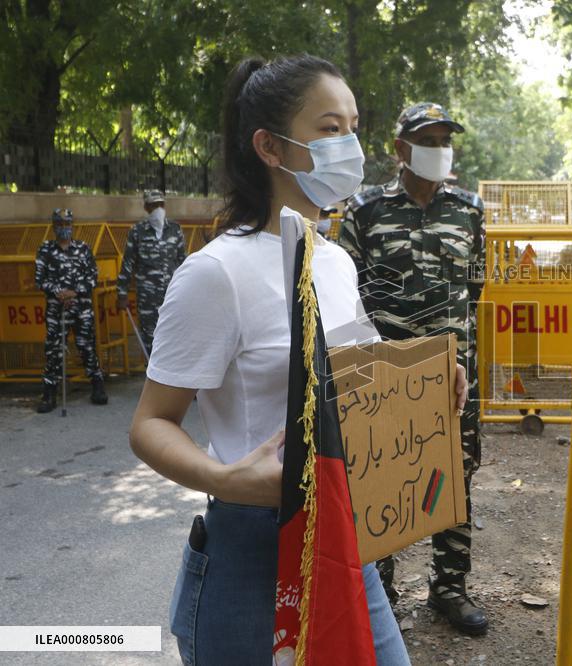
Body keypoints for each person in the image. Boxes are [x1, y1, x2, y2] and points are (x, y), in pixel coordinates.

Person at [128, 54, 432, 665]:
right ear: (270, 146)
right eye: (328, 128)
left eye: (352, 126)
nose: (350, 144)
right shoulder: (217, 274)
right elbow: (149, 423)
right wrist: (222, 477)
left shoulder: (336, 261)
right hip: (250, 558)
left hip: (346, 545)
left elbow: (358, 378)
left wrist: (424, 383)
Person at [339, 102, 488, 636]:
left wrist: (458, 358)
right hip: (383, 378)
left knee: (456, 476)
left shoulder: (470, 210)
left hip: (452, 379)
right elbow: (343, 296)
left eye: (446, 138)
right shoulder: (365, 210)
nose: (439, 148)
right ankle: (381, 594)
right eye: (428, 139)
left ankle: (449, 587)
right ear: (401, 149)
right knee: (380, 475)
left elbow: (474, 293)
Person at [34, 208, 108, 412]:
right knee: (54, 350)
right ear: (54, 226)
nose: (64, 228)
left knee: (87, 346)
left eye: (67, 224)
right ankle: (49, 393)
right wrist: (58, 292)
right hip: (56, 310)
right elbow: (40, 280)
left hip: (81, 307)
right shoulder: (46, 250)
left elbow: (93, 276)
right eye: (60, 224)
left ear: (72, 226)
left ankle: (97, 386)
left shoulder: (83, 248)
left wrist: (74, 292)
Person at [116, 190, 186, 354]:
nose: (158, 209)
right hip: (147, 297)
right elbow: (128, 263)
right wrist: (122, 293)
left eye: (161, 205)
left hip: (173, 294)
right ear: (146, 208)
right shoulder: (137, 232)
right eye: (154, 206)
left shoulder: (175, 230)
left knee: (174, 334)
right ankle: (152, 374)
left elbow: (183, 262)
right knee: (150, 336)